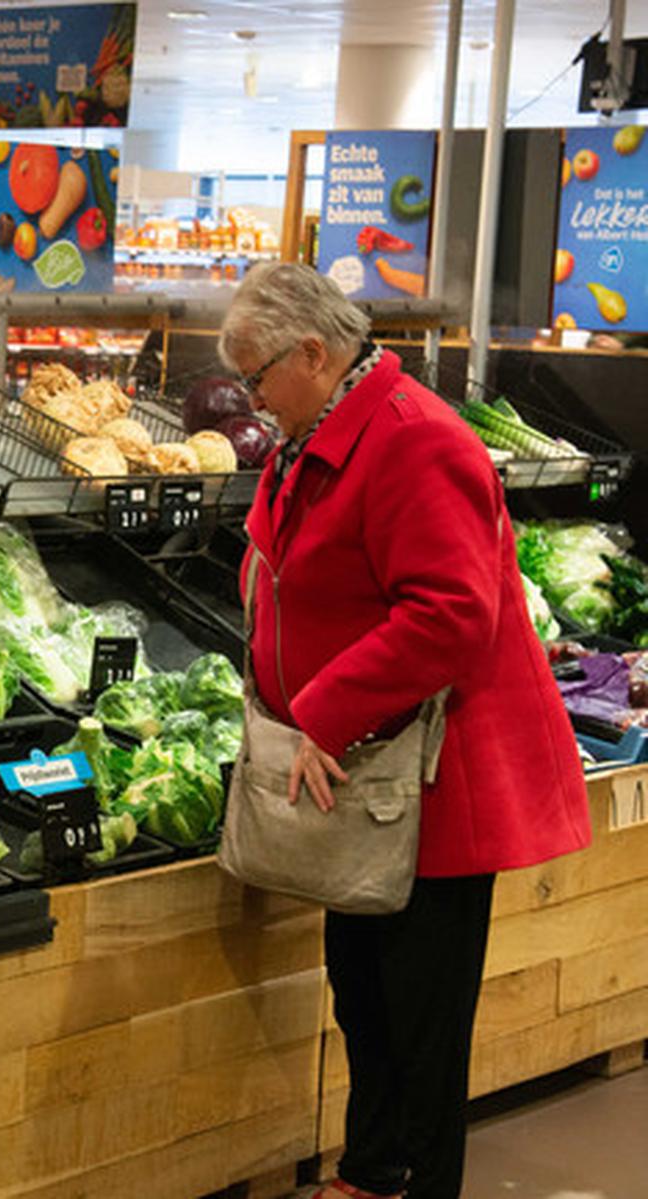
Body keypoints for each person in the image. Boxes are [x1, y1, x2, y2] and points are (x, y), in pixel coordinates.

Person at [220, 262, 590, 1199]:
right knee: (364, 989)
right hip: (366, 777)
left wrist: (324, 708)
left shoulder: (418, 441)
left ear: (313, 352)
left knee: (424, 1011)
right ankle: (373, 1166)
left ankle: (424, 1180)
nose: (252, 402)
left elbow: (451, 615)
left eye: (257, 377)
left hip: (435, 779)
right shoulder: (314, 430)